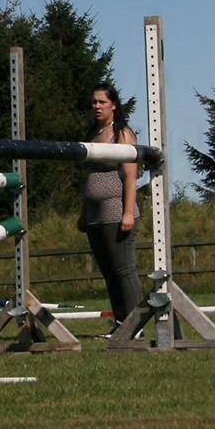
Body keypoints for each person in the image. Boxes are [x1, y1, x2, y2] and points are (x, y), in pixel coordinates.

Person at [79, 82, 143, 336]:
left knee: (124, 270)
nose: (96, 106)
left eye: (102, 102)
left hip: (116, 212)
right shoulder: (92, 134)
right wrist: (84, 213)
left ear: (113, 105)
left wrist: (127, 213)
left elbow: (130, 176)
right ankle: (120, 322)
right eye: (94, 101)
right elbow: (88, 179)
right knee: (109, 272)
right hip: (94, 216)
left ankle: (136, 325)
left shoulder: (123, 134)